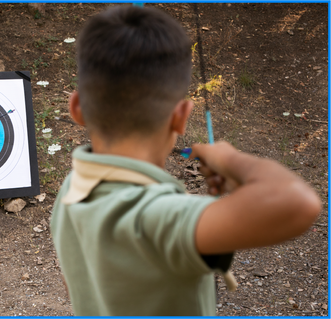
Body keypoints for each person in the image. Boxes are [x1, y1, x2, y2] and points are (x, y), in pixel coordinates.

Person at [50, 5, 321, 316]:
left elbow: (79, 283)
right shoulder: (157, 217)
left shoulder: (72, 189)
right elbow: (297, 203)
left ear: (77, 108)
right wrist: (231, 159)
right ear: (180, 117)